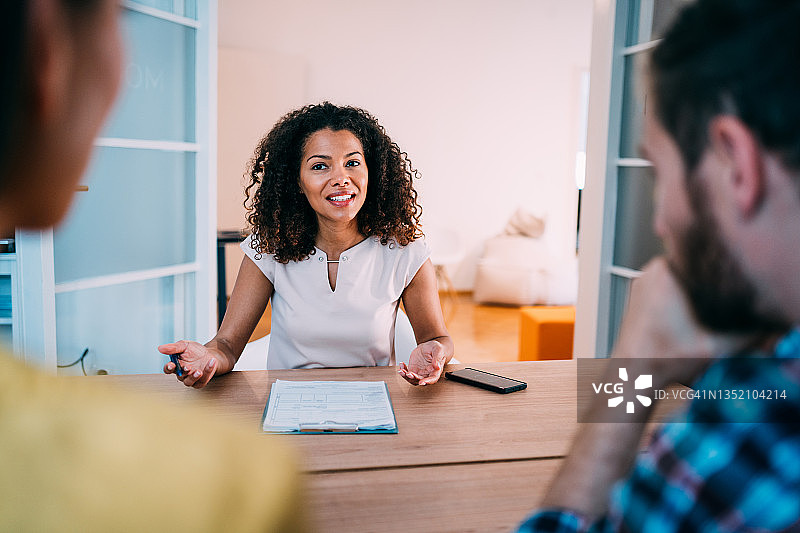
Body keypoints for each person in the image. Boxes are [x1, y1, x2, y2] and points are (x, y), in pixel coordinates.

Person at [0, 1, 303, 530]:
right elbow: (229, 343)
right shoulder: (228, 485)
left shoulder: (405, 249)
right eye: (120, 19)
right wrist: (213, 353)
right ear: (50, 54)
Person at [518, 0, 800, 530]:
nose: (662, 222)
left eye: (658, 174)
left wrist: (634, 366)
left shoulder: (760, 421)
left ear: (735, 162)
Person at [160, 103, 455, 388]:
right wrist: (208, 359)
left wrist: (435, 353)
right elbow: (226, 345)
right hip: (288, 405)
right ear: (297, 181)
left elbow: (437, 338)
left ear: (372, 172)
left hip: (374, 403)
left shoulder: (406, 251)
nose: (341, 178)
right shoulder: (270, 249)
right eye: (320, 166)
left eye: (352, 163)